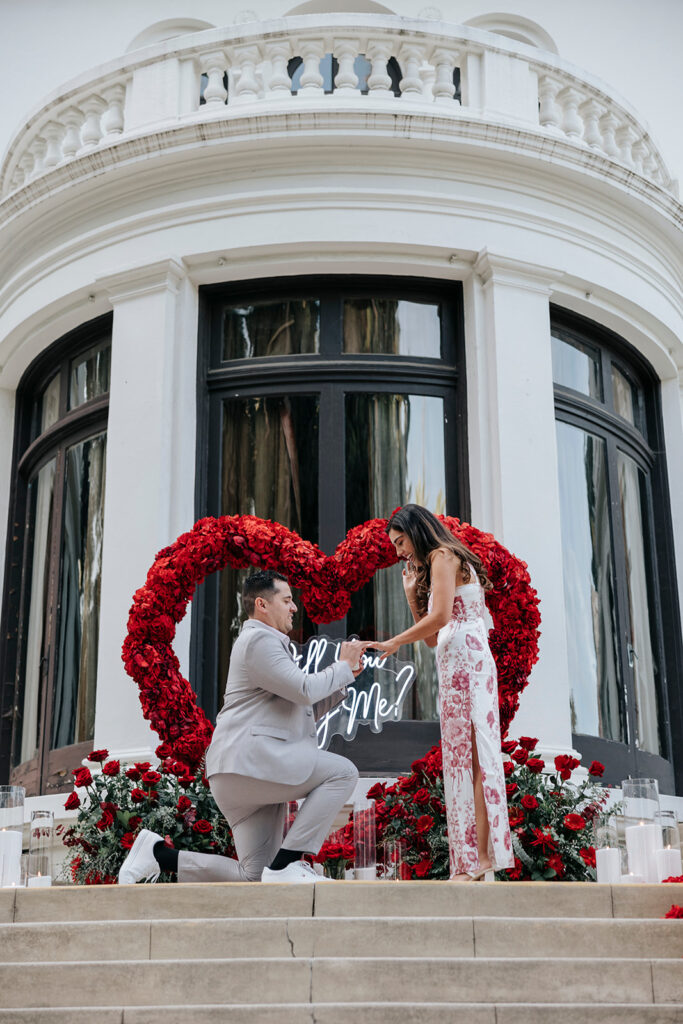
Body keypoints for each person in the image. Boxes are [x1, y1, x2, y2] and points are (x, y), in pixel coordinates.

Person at [119, 569, 365, 885]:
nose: (294, 608)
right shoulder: (259, 640)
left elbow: (302, 705)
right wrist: (341, 667)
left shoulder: (266, 644)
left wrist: (344, 682)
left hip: (241, 774)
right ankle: (289, 863)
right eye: (287, 600)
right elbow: (304, 689)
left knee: (252, 876)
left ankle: (158, 855)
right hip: (250, 766)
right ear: (262, 604)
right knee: (342, 772)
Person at [371, 504, 513, 881]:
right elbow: (433, 637)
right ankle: (470, 859)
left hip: (468, 660)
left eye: (401, 542)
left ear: (417, 532)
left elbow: (444, 619)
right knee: (460, 760)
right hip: (452, 664)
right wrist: (410, 596)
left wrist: (393, 642)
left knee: (477, 755)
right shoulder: (433, 565)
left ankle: (481, 857)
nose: (400, 552)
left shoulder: (443, 556)